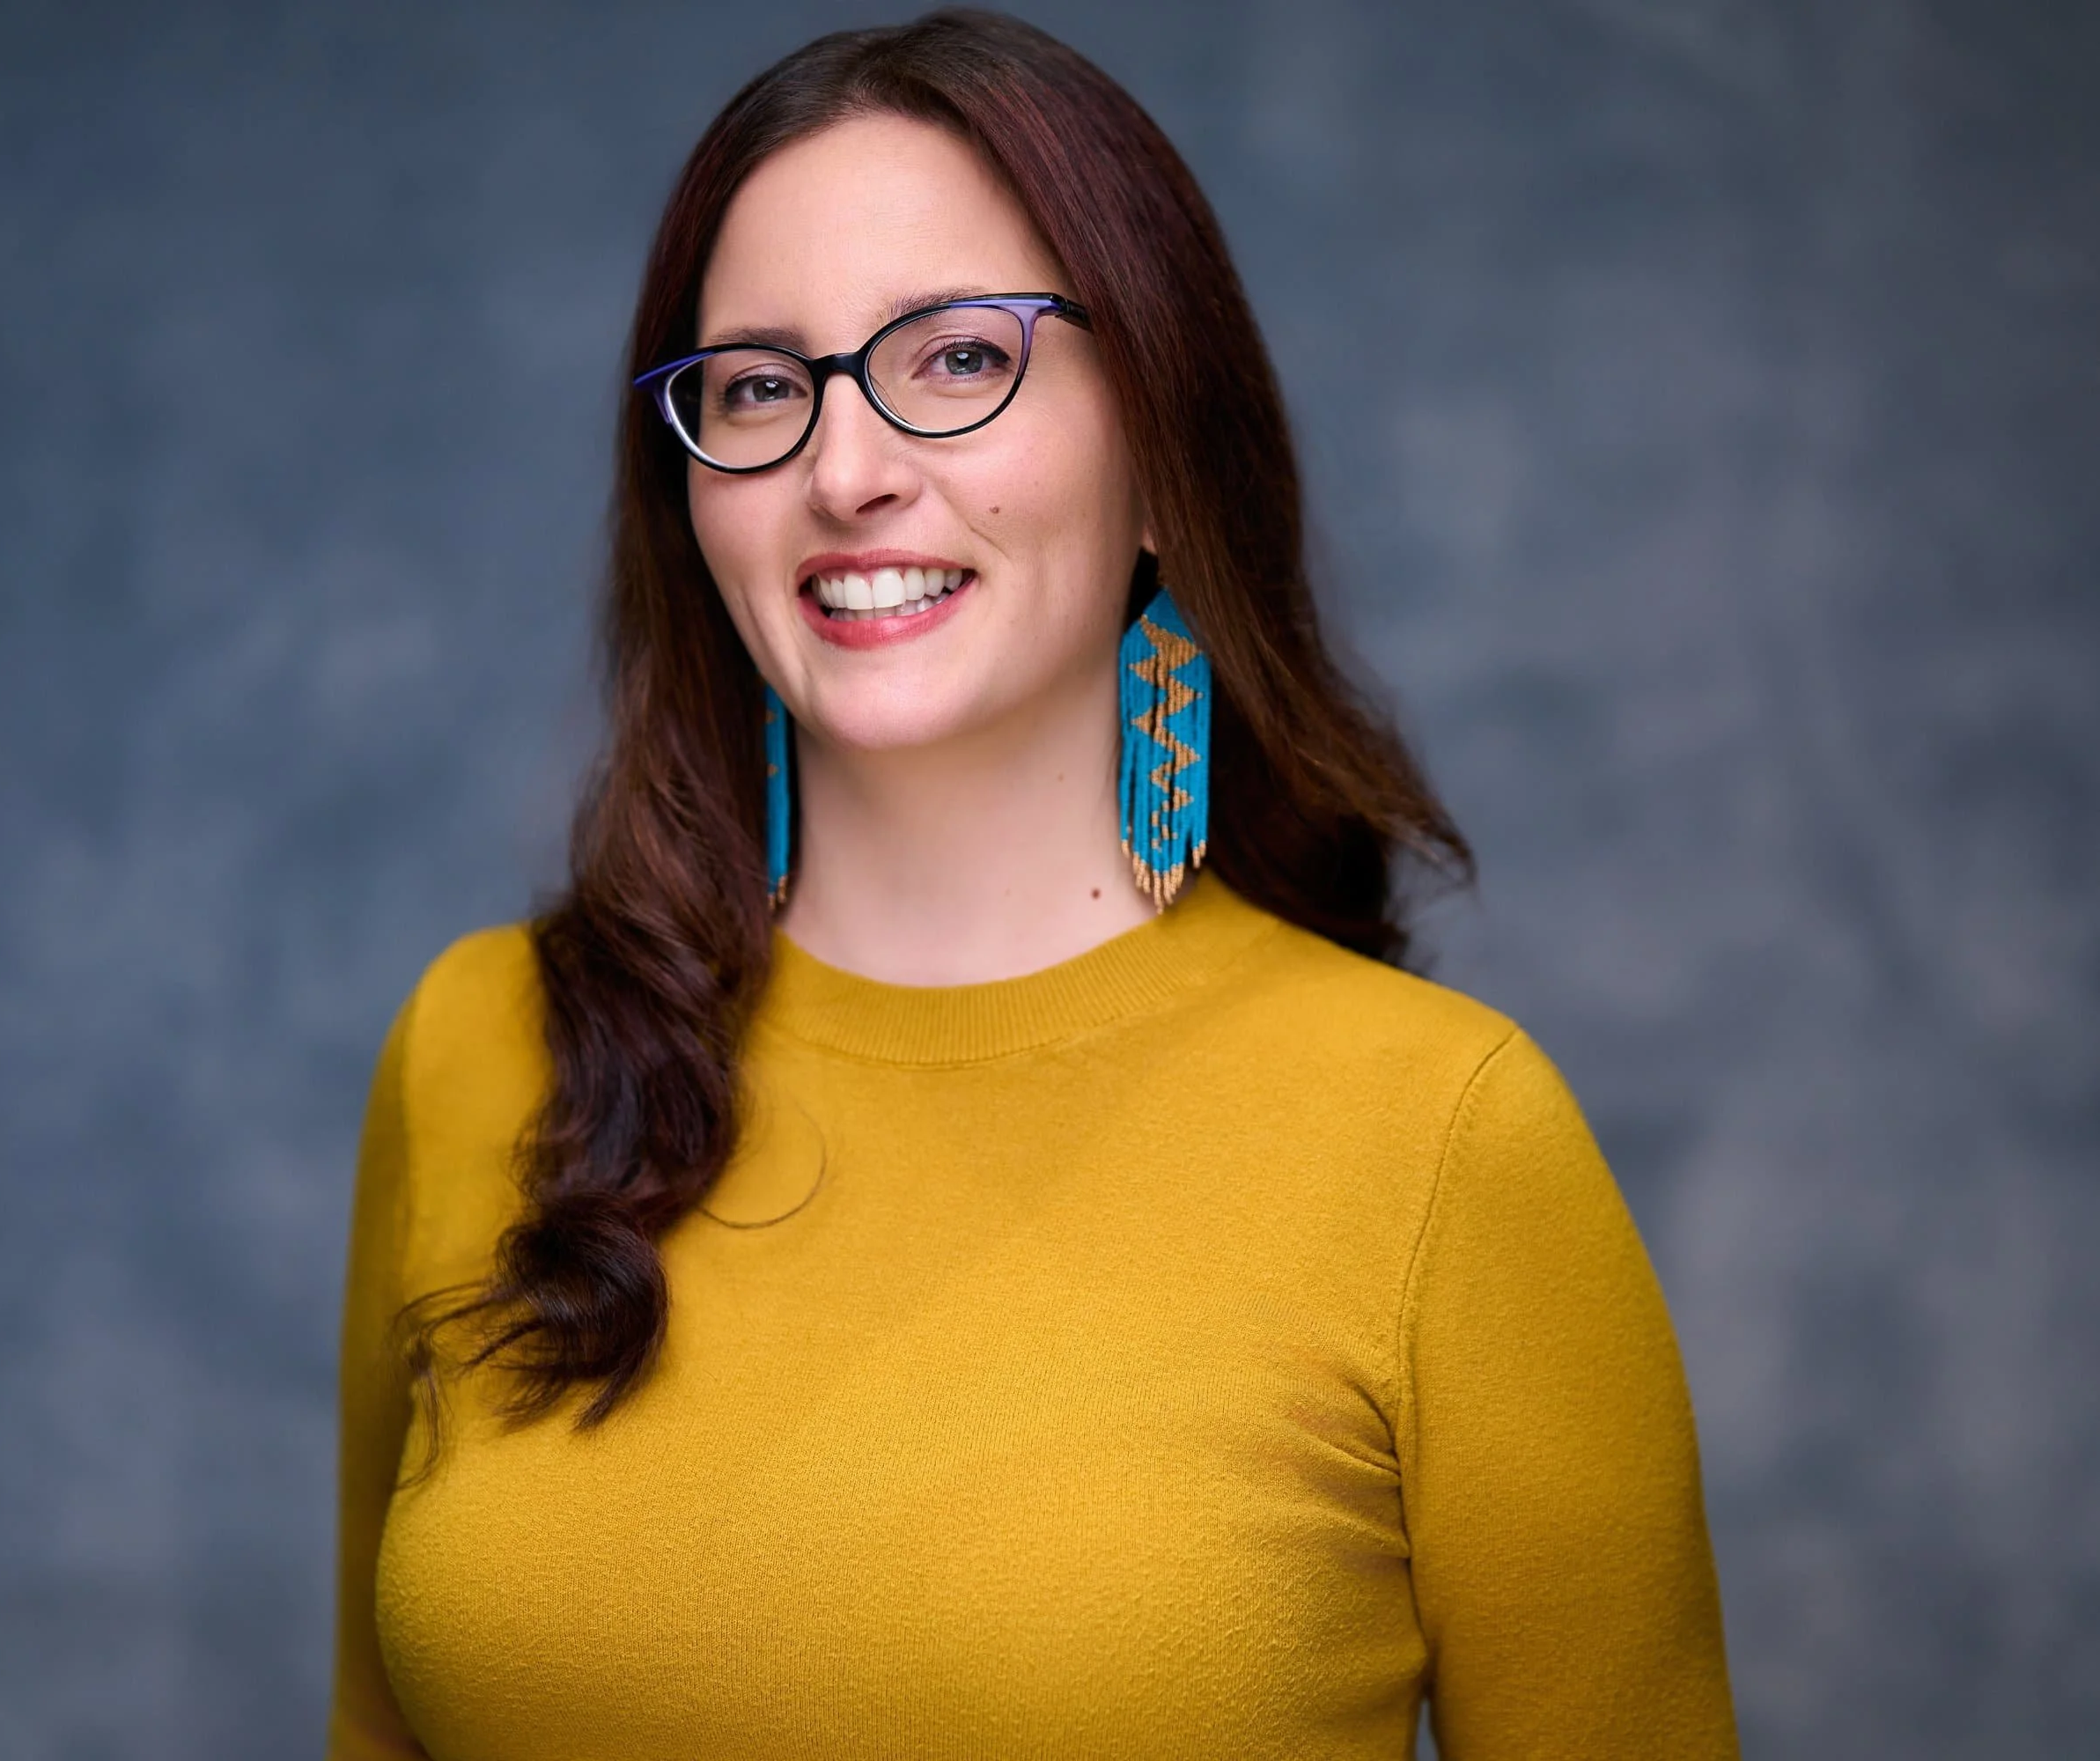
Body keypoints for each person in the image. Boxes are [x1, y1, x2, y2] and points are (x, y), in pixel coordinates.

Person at [326, 11, 1740, 1758]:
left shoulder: (1443, 1142)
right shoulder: (479, 1047)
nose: (847, 471)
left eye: (953, 359)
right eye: (759, 387)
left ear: (1158, 454)